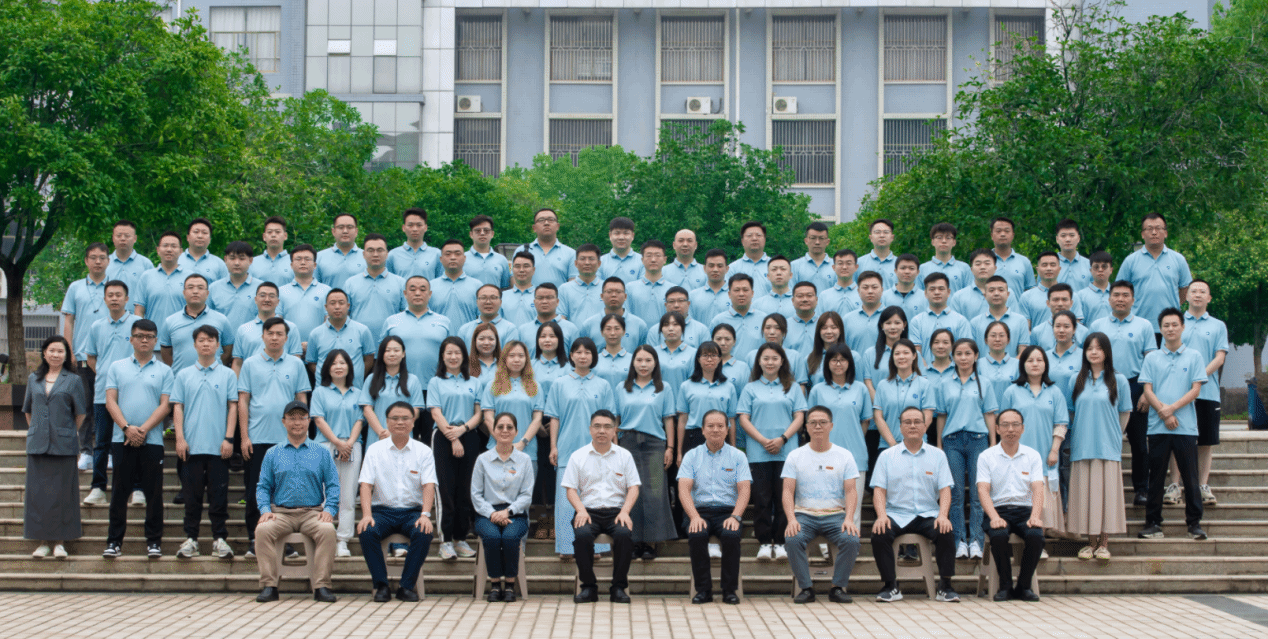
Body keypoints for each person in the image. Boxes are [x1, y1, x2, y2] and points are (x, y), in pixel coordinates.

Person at [237, 317, 312, 556]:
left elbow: (301, 399)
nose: (275, 337)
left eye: (279, 334)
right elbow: (243, 401)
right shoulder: (250, 364)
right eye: (270, 333)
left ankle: (284, 541)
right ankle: (254, 538)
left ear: (286, 338)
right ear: (263, 336)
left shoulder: (296, 364)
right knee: (255, 490)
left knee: (284, 492)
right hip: (257, 437)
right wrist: (244, 436)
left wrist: (302, 435)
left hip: (287, 440)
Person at [253, 400, 340, 604]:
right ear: (283, 421)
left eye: (302, 418)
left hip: (312, 513)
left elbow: (333, 485)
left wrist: (329, 509)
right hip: (281, 513)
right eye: (292, 418)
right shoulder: (273, 453)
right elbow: (263, 486)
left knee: (328, 531)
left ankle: (321, 586)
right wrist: (265, 510)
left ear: (309, 421)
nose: (297, 422)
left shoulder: (321, 452)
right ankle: (269, 585)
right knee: (262, 530)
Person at [870, 406, 959, 603]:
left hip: (928, 514)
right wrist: (882, 515)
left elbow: (945, 490)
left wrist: (943, 515)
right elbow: (879, 490)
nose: (912, 426)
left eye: (917, 422)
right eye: (907, 422)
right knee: (879, 533)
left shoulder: (938, 455)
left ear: (925, 426)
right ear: (900, 427)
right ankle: (890, 586)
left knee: (946, 530)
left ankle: (945, 586)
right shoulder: (887, 456)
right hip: (896, 514)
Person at [102, 320, 172, 559]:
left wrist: (142, 430)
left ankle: (154, 541)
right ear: (130, 339)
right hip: (121, 439)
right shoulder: (117, 367)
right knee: (119, 493)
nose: (144, 340)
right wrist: (126, 428)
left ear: (156, 341)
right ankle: (114, 541)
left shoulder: (164, 370)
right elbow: (110, 401)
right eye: (140, 335)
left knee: (154, 493)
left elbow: (165, 405)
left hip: (152, 441)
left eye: (149, 336)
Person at [1138, 308, 1208, 541]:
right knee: (1156, 477)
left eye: (1174, 324)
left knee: (1190, 477)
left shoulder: (1194, 356)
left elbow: (1195, 389)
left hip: (1185, 427)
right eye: (1166, 325)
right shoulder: (1152, 358)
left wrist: (1171, 409)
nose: (1170, 329)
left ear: (1182, 327)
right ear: (1160, 329)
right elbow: (1148, 389)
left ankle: (1194, 524)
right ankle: (1153, 523)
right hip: (1157, 427)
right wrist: (1164, 412)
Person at [356, 401, 437, 603]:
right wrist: (366, 515)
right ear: (387, 422)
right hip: (382, 512)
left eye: (405, 418)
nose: (400, 422)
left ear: (413, 422)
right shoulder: (375, 450)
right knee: (367, 530)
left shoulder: (423, 451)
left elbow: (429, 485)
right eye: (395, 418)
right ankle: (381, 585)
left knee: (424, 532)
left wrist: (425, 515)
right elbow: (365, 485)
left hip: (412, 512)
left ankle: (406, 586)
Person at [783, 405, 863, 604]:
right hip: (804, 515)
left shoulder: (844, 455)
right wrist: (791, 519)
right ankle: (806, 588)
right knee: (792, 538)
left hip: (835, 515)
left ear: (831, 426)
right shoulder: (795, 456)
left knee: (851, 539)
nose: (818, 426)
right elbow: (787, 491)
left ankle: (837, 587)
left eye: (822, 422)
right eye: (813, 423)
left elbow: (851, 491)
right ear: (806, 427)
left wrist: (849, 519)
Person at [171, 325, 237, 560]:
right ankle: (191, 540)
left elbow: (232, 406)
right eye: (201, 340)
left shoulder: (228, 375)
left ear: (218, 345)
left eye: (210, 340)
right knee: (192, 498)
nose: (206, 344)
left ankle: (220, 540)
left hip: (219, 447)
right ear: (194, 344)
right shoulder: (184, 375)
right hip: (191, 447)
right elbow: (177, 407)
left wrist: (229, 438)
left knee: (219, 497)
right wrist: (180, 438)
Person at [737, 343, 807, 562]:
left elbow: (799, 416)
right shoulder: (750, 388)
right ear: (759, 361)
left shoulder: (792, 387)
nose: (770, 362)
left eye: (774, 358)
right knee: (762, 498)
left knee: (785, 497)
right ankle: (765, 542)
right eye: (765, 358)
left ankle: (783, 540)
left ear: (782, 361)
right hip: (758, 452)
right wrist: (762, 440)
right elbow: (743, 418)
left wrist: (782, 438)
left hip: (787, 452)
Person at [1089, 281, 1157, 505]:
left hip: (1135, 384)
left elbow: (1151, 360)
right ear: (1109, 299)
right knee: (1103, 438)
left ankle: (1141, 489)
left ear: (1133, 300)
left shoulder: (1144, 325)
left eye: (1125, 295)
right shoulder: (1097, 325)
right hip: (1103, 383)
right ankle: (1101, 487)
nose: (1120, 299)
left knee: (1139, 442)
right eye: (1116, 295)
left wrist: (1147, 391)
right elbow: (1089, 356)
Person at [546, 338, 615, 556]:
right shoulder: (559, 384)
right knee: (566, 501)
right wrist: (553, 446)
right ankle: (567, 547)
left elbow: (610, 420)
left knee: (595, 498)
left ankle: (596, 547)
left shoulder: (603, 385)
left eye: (587, 352)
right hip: (567, 449)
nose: (583, 356)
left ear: (594, 356)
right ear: (571, 356)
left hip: (597, 450)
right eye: (578, 352)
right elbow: (554, 418)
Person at [564, 409, 640, 604]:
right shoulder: (578, 456)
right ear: (590, 429)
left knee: (624, 535)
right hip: (588, 512)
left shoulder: (624, 456)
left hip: (617, 512)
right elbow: (570, 489)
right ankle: (588, 587)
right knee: (582, 536)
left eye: (607, 427)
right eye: (597, 426)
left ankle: (618, 588)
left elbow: (633, 487)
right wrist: (580, 510)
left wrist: (625, 511)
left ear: (614, 430)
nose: (602, 431)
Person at [1067, 332, 1131, 561]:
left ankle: (1103, 544)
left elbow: (1124, 413)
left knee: (1106, 496)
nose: (1094, 352)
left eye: (1099, 348)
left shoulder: (1118, 380)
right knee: (1085, 496)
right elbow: (1071, 413)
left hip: (1107, 447)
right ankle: (1090, 542)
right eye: (1089, 348)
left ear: (1107, 352)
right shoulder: (1076, 380)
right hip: (1082, 445)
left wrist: (1114, 436)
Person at [24, 336, 87, 559]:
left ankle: (60, 542)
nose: (55, 355)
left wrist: (65, 431)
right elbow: (28, 410)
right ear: (44, 353)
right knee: (38, 495)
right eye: (52, 350)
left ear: (66, 355)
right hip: (38, 445)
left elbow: (80, 413)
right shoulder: (33, 379)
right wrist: (39, 431)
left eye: (60, 351)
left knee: (63, 494)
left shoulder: (73, 380)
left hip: (64, 445)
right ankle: (43, 542)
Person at [678, 409, 750, 605]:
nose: (715, 430)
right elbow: (684, 489)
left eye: (720, 426)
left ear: (727, 429)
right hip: (698, 511)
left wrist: (735, 517)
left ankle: (729, 590)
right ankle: (703, 590)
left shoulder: (738, 456)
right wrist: (694, 516)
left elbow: (744, 490)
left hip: (728, 511)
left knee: (731, 535)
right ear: (702, 430)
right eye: (710, 426)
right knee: (697, 534)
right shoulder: (692, 456)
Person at [936, 338, 998, 560]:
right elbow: (941, 416)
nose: (963, 358)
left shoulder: (984, 383)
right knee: (955, 494)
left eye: (968, 353)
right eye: (959, 354)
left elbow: (989, 414)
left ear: (976, 356)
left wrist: (993, 443)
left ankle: (976, 542)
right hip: (952, 441)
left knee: (979, 493)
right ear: (952, 357)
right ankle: (959, 541)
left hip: (978, 440)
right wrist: (939, 444)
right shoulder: (945, 384)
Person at [614, 346, 678, 560]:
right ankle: (632, 541)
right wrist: (615, 446)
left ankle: (651, 542)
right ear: (632, 362)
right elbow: (616, 419)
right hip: (628, 443)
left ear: (655, 363)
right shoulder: (622, 387)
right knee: (631, 490)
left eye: (648, 360)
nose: (643, 364)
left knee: (655, 493)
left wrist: (670, 447)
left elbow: (668, 418)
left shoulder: (664, 388)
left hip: (654, 444)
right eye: (639, 360)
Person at [976, 408, 1046, 602]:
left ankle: (1024, 587)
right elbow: (982, 490)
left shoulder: (1032, 455)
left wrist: (1035, 516)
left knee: (1036, 535)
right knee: (998, 535)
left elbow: (1038, 488)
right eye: (1005, 425)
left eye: (1015, 425)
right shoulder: (986, 456)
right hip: (997, 510)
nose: (1011, 429)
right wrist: (994, 517)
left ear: (1022, 428)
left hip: (1024, 511)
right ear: (997, 429)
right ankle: (1005, 586)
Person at [999, 346, 1068, 536]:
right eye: (1030, 360)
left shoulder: (1054, 392)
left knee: (1043, 500)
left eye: (1039, 360)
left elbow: (1061, 424)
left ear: (1046, 364)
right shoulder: (1012, 391)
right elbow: (1003, 424)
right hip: (1017, 456)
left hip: (1045, 455)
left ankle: (1040, 539)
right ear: (1023, 365)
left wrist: (1054, 450)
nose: (1035, 364)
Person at [82, 281, 140, 506]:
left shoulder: (137, 324)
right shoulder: (96, 326)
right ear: (105, 299)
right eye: (110, 295)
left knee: (133, 440)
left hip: (132, 393)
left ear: (127, 299)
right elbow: (91, 358)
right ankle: (98, 488)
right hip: (103, 393)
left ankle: (136, 488)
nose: (114, 298)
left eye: (119, 295)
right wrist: (109, 377)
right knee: (101, 442)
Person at [427, 337, 484, 560]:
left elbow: (479, 413)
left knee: (466, 488)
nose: (453, 357)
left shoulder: (474, 382)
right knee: (446, 488)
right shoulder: (436, 382)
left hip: (469, 435)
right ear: (442, 356)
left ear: (464, 356)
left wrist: (463, 430)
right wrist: (452, 437)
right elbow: (436, 412)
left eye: (457, 353)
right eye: (449, 353)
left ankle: (461, 539)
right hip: (443, 436)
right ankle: (446, 541)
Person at [806, 346, 873, 530]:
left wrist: (853, 438)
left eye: (843, 359)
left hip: (855, 455)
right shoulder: (818, 390)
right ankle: (826, 544)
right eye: (834, 360)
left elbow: (865, 421)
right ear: (827, 363)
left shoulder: (861, 389)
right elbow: (811, 422)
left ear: (850, 363)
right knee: (826, 507)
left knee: (853, 509)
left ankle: (851, 543)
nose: (838, 364)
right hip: (823, 456)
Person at [1175, 280, 1228, 506]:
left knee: (1205, 441)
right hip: (1177, 392)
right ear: (1186, 296)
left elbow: (1220, 357)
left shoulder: (1218, 325)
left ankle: (1202, 485)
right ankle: (1174, 485)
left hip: (1207, 392)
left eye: (1202, 292)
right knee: (1177, 439)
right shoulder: (1176, 322)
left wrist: (1198, 376)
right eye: (1193, 291)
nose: (1197, 295)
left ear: (1209, 298)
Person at [472, 412, 535, 602]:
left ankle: (509, 585)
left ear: (516, 432)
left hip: (515, 513)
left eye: (509, 427)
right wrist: (492, 514)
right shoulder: (483, 459)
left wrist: (507, 512)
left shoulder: (524, 460)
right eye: (500, 427)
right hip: (486, 513)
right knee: (492, 537)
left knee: (509, 537)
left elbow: (526, 495)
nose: (505, 430)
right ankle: (494, 585)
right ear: (493, 431)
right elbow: (476, 494)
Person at [310, 350, 366, 558]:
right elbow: (318, 419)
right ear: (327, 368)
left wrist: (348, 443)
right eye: (334, 363)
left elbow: (360, 420)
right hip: (326, 446)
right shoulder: (320, 392)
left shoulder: (358, 393)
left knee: (348, 495)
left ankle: (343, 540)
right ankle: (324, 537)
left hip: (352, 446)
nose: (338, 366)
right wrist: (337, 442)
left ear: (349, 367)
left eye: (342, 362)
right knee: (324, 494)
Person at [383, 276, 453, 437]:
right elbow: (382, 355)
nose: (417, 293)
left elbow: (453, 353)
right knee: (402, 437)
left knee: (430, 439)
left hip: (435, 389)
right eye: (412, 289)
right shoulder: (392, 321)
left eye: (422, 289)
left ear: (430, 294)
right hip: (400, 388)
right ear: (405, 293)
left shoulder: (444, 321)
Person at [61, 242, 108, 470]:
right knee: (84, 406)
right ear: (86, 261)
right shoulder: (75, 287)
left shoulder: (115, 287)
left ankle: (107, 451)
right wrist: (68, 350)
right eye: (93, 257)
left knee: (108, 406)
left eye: (102, 257)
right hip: (81, 356)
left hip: (109, 358)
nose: (97, 261)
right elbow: (69, 321)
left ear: (108, 261)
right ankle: (86, 451)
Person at [1118, 213, 1192, 336]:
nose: (1154, 232)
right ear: (1142, 234)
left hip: (1170, 328)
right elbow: (1119, 291)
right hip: (1138, 327)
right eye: (1149, 229)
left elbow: (1186, 288)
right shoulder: (1130, 261)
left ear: (1166, 233)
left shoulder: (1178, 259)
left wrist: (1173, 303)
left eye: (1158, 228)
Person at [869, 340, 934, 464]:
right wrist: (893, 444)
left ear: (914, 356)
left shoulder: (925, 384)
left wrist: (911, 442)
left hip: (918, 447)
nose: (901, 357)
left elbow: (928, 417)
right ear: (892, 357)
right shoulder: (883, 385)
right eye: (897, 353)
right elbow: (878, 417)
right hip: (888, 447)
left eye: (906, 353)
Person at [480, 340, 544, 465]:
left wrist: (522, 443)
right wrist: (504, 442)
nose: (516, 360)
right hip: (497, 449)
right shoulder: (492, 385)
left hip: (527, 451)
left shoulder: (535, 386)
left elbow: (537, 420)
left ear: (526, 359)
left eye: (521, 356)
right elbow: (488, 418)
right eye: (512, 356)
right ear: (505, 358)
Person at [160, 274, 235, 373]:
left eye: (200, 288)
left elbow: (228, 351)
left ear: (207, 293)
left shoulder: (221, 320)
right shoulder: (170, 321)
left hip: (214, 377)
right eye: (190, 287)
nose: (195, 291)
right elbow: (166, 352)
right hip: (180, 378)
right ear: (184, 293)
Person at [677, 342, 738, 461]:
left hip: (720, 435)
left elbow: (731, 420)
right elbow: (682, 419)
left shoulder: (729, 387)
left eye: (714, 355)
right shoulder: (686, 386)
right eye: (705, 355)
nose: (709, 359)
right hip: (694, 436)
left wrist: (733, 448)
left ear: (719, 359)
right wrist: (679, 452)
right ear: (698, 359)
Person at [303, 288, 376, 386]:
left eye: (341, 303)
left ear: (348, 306)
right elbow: (312, 363)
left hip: (354, 388)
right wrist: (326, 376)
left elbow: (369, 359)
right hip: (325, 389)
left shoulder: (362, 331)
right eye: (332, 303)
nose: (337, 307)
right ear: (326, 307)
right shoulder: (315, 334)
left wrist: (356, 376)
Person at [360, 336, 426, 442]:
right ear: (381, 354)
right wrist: (381, 432)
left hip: (403, 437)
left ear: (403, 353)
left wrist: (395, 432)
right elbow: (367, 410)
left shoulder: (413, 380)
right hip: (377, 437)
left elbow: (416, 411)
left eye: (396, 350)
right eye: (387, 350)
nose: (392, 354)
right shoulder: (371, 379)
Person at [345, 233, 406, 342]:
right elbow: (345, 316)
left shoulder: (400, 283)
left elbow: (406, 315)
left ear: (387, 254)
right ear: (363, 254)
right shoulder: (350, 283)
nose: (375, 254)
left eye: (380, 250)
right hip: (358, 343)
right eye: (370, 250)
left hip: (391, 345)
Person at [232, 282, 304, 370]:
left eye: (271, 296)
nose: (267, 299)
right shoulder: (243, 329)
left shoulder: (291, 328)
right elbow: (238, 363)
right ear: (256, 299)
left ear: (278, 301)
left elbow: (296, 360)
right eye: (262, 295)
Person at [278, 244, 333, 355]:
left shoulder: (326, 290)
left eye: (307, 259)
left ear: (315, 265)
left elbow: (329, 321)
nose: (303, 262)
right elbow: (278, 322)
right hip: (288, 350)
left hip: (319, 349)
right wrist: (294, 344)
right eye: (298, 259)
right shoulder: (280, 291)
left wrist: (312, 344)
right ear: (291, 265)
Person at [133, 231, 188, 341]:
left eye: (174, 246)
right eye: (165, 245)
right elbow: (139, 310)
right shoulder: (146, 276)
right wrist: (141, 335)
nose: (169, 249)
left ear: (181, 251)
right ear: (158, 250)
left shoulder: (190, 277)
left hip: (182, 340)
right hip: (152, 340)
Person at [910, 273, 972, 365]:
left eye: (941, 289)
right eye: (932, 289)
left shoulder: (960, 321)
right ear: (925, 293)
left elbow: (965, 350)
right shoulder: (916, 321)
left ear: (948, 292)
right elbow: (916, 352)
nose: (937, 292)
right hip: (925, 372)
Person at [1019, 252, 1086, 329]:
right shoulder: (1026, 297)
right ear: (1037, 269)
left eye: (1053, 265)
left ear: (1059, 269)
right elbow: (1026, 328)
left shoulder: (1072, 296)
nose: (1049, 268)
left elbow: (1077, 327)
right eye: (1044, 265)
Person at [581, 278, 647, 352]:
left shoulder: (639, 325)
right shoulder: (588, 325)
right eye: (609, 292)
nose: (614, 295)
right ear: (602, 296)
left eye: (618, 292)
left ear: (625, 296)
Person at [207, 241, 262, 329]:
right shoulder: (213, 288)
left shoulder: (261, 288)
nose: (237, 263)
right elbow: (207, 318)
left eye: (242, 258)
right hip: (219, 337)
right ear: (225, 260)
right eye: (232, 258)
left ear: (250, 261)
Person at [970, 276, 1029, 356]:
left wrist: (1011, 364)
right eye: (991, 290)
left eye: (1001, 290)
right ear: (985, 295)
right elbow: (973, 353)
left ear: (1008, 294)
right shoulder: (975, 322)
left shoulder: (1021, 321)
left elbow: (1023, 352)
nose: (996, 293)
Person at [430, 239, 483, 328]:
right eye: (448, 254)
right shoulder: (430, 286)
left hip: (468, 336)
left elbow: (482, 317)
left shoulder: (477, 286)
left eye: (457, 254)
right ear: (441, 259)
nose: (453, 257)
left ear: (464, 258)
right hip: (439, 336)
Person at [710, 274, 764, 360]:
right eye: (736, 290)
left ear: (752, 293)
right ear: (729, 294)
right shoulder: (718, 320)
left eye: (745, 290)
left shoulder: (764, 319)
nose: (741, 294)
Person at [105, 220, 154, 313]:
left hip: (138, 319)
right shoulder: (105, 264)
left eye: (127, 236)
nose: (123, 239)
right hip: (109, 317)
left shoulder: (146, 264)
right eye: (119, 235)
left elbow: (152, 294)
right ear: (113, 238)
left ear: (135, 238)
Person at [862, 306, 909, 396]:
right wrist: (879, 403)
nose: (892, 327)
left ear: (904, 325)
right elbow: (868, 383)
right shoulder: (870, 354)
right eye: (888, 323)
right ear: (881, 325)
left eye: (897, 323)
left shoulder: (914, 353)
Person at [626, 240, 673, 328]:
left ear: (664, 259)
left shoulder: (673, 289)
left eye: (657, 255)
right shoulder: (629, 288)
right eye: (649, 256)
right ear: (642, 260)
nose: (653, 260)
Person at [386, 208, 442, 280]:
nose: (415, 229)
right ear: (403, 228)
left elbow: (441, 282)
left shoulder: (437, 254)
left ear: (425, 227)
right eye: (410, 225)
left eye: (419, 225)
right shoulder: (393, 255)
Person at [526, 208, 577, 286]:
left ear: (557, 226)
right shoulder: (523, 251)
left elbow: (573, 284)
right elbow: (515, 279)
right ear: (534, 228)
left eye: (551, 220)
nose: (546, 223)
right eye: (541, 220)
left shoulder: (571, 254)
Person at [1029, 284, 1088, 351]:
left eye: (1064, 300)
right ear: (1048, 303)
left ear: (1071, 303)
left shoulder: (1083, 332)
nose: (1060, 304)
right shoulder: (1037, 332)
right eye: (1056, 300)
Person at [316, 213, 367, 289]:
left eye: (350, 227)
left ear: (356, 231)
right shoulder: (319, 257)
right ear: (333, 231)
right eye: (340, 227)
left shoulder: (367, 257)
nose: (345, 231)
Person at [989, 216, 1035, 300]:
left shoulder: (1024, 262)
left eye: (1007, 231)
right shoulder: (984, 262)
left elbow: (1030, 291)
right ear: (992, 235)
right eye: (998, 231)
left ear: (1013, 235)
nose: (1003, 234)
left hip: (1018, 308)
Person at [558, 244, 604, 325]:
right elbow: (561, 317)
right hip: (573, 333)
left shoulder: (606, 288)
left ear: (599, 263)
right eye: (582, 259)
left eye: (591, 259)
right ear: (576, 263)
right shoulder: (564, 289)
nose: (587, 263)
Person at [919, 223, 971, 293]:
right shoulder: (922, 269)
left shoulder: (964, 268)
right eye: (939, 237)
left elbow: (969, 294)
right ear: (932, 241)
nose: (944, 241)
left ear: (954, 242)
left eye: (948, 238)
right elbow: (918, 295)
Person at [841, 271, 884, 353]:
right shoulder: (847, 319)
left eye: (874, 287)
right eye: (865, 287)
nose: (870, 291)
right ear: (858, 291)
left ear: (882, 290)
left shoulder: (891, 317)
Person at [949, 249, 998, 321]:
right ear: (971, 269)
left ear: (995, 268)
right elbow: (954, 323)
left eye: (987, 263)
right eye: (978, 264)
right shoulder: (959, 297)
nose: (982, 267)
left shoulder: (1006, 294)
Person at [464, 215, 511, 288]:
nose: (482, 233)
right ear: (471, 234)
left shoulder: (502, 260)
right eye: (478, 231)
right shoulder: (462, 259)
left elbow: (505, 287)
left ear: (492, 234)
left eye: (486, 230)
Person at [727, 221, 772, 296]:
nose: (754, 238)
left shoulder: (776, 267)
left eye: (758, 235)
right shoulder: (732, 269)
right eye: (749, 235)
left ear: (764, 240)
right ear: (742, 241)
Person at [654, 312, 697, 390]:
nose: (671, 328)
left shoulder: (694, 353)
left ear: (683, 328)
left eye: (675, 324)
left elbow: (694, 384)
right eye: (666, 325)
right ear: (661, 329)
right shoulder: (653, 353)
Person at [178, 218, 229, 283]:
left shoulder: (219, 264)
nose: (200, 236)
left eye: (204, 233)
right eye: (196, 232)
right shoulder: (176, 260)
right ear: (188, 237)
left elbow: (226, 287)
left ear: (210, 239)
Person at [688, 249, 732, 324]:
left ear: (727, 269)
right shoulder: (692, 296)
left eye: (720, 266)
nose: (715, 270)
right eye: (711, 266)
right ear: (704, 268)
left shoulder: (735, 295)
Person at [978, 321, 1017, 404]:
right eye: (993, 335)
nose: (997, 339)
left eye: (1001, 335)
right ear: (986, 340)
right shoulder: (978, 364)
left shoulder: (1018, 364)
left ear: (1008, 340)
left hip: (1011, 410)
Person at [249, 216, 294, 286]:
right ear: (264, 237)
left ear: (285, 236)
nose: (273, 235)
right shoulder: (252, 263)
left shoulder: (294, 262)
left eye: (277, 232)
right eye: (269, 232)